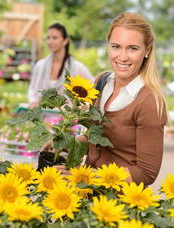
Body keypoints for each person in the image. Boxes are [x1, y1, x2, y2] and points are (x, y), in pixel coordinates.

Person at [42, 12, 170, 186]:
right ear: (108, 46)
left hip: (120, 204)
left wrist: (87, 177)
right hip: (88, 197)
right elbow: (98, 137)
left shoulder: (149, 101)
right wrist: (65, 144)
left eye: (133, 48)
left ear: (147, 50)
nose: (122, 57)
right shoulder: (102, 82)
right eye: (116, 46)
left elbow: (146, 173)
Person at [28, 22, 94, 107]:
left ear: (65, 41)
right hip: (42, 116)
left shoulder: (77, 67)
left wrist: (81, 107)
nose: (50, 41)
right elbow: (32, 89)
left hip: (66, 117)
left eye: (55, 38)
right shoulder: (40, 65)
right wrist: (33, 102)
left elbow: (92, 87)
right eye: (48, 38)